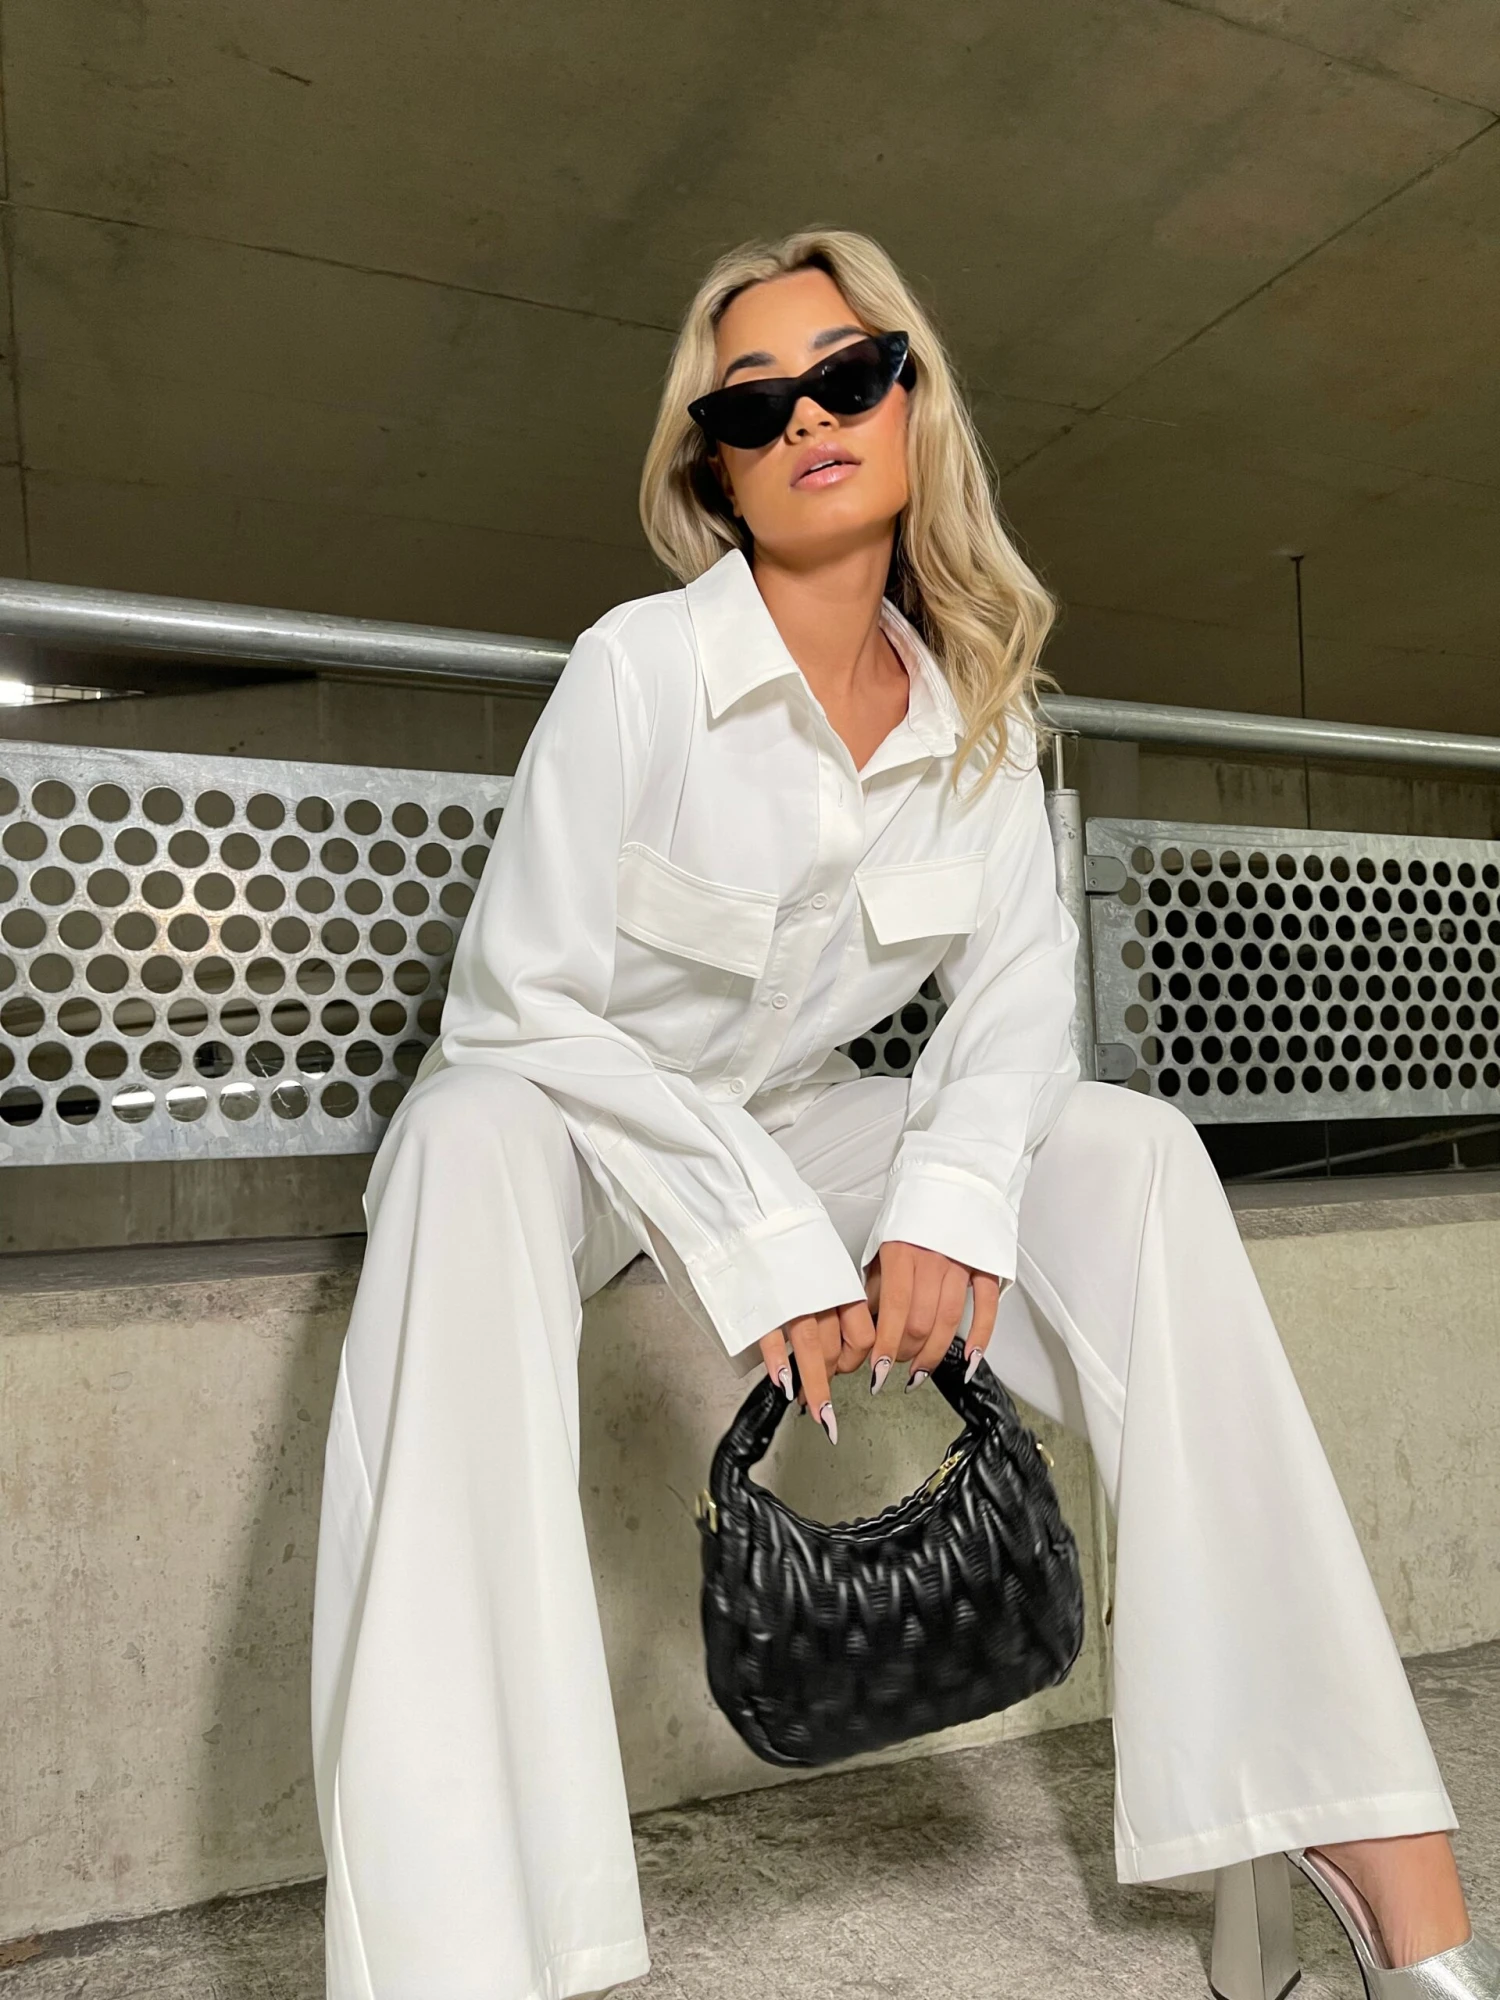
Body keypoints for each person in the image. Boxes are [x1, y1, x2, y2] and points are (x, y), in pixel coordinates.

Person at [309, 226, 1496, 2000]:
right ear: (714, 467)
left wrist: (943, 1204)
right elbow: (519, 1010)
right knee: (464, 1140)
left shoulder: (982, 722)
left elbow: (1015, 1014)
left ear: (911, 402)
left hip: (804, 1120)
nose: (808, 417)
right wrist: (763, 1236)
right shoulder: (638, 669)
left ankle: (1340, 1822)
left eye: (848, 376)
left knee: (1136, 1155)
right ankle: (460, 1958)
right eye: (755, 404)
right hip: (576, 1129)